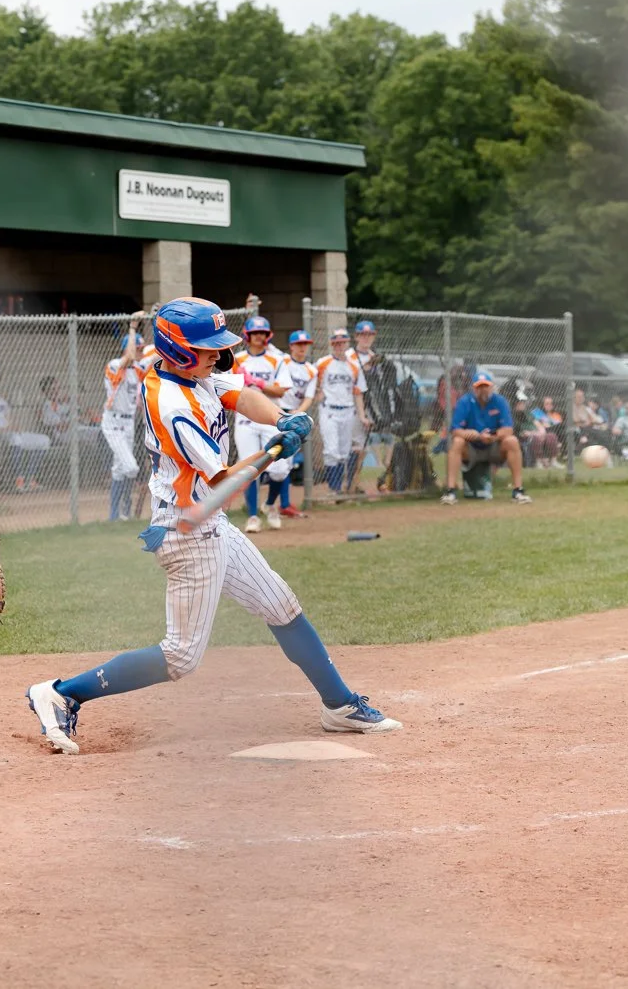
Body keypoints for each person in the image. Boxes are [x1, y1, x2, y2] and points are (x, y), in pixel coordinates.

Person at [22, 298, 401, 755]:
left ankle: (339, 705)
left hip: (209, 521)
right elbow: (224, 479)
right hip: (187, 533)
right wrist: (274, 452)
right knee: (181, 656)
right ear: (178, 350)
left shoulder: (193, 375)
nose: (215, 355)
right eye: (205, 348)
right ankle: (62, 693)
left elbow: (237, 394)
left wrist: (282, 420)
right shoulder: (173, 403)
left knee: (281, 604)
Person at [232, 315, 290, 532]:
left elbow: (280, 389)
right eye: (255, 333)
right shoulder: (237, 359)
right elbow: (227, 389)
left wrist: (256, 382)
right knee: (249, 468)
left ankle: (269, 505)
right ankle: (253, 516)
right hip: (245, 420)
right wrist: (238, 380)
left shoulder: (277, 360)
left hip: (269, 419)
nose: (259, 337)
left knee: (280, 470)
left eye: (263, 333)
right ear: (247, 336)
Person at [440, 370, 531, 505]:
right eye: (479, 387)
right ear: (473, 388)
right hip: (471, 447)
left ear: (492, 387)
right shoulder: (465, 401)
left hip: (493, 446)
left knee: (512, 441)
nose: (483, 390)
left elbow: (508, 429)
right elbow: (455, 430)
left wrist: (493, 437)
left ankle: (518, 491)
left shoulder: (500, 401)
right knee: (458, 442)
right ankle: (450, 492)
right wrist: (469, 434)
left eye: (486, 386)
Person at [102, 315, 150, 521]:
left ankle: (116, 516)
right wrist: (132, 327)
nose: (140, 352)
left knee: (119, 469)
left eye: (140, 349)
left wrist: (157, 322)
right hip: (112, 422)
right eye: (138, 348)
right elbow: (130, 356)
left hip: (128, 423)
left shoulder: (137, 370)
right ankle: (124, 509)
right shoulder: (114, 366)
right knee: (130, 467)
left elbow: (158, 354)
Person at [314, 327, 371, 494]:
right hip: (329, 410)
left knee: (344, 452)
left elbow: (358, 392)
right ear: (332, 344)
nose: (339, 346)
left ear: (347, 343)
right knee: (331, 450)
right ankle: (334, 489)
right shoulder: (323, 363)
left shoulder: (354, 366)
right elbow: (314, 384)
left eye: (342, 343)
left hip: (348, 411)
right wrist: (317, 393)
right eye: (336, 343)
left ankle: (339, 489)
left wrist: (362, 416)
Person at [272, 330, 318, 518]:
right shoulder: (282, 360)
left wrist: (297, 415)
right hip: (276, 412)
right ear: (291, 346)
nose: (302, 348)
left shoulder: (311, 370)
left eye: (304, 344)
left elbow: (309, 396)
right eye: (298, 344)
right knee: (277, 461)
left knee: (287, 461)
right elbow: (266, 346)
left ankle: (283, 503)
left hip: (294, 416)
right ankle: (276, 504)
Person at [346, 320, 388, 493]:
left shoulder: (375, 356)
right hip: (349, 406)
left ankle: (353, 485)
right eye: (363, 334)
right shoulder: (349, 356)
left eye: (369, 334)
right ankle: (347, 485)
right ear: (356, 336)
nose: (366, 338)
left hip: (369, 407)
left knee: (361, 448)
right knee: (348, 448)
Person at [0, 394, 49, 493]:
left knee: (44, 440)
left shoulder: (2, 400)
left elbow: (8, 420)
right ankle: (19, 480)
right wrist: (5, 429)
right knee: (16, 438)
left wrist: (14, 426)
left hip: (10, 433)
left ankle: (30, 478)